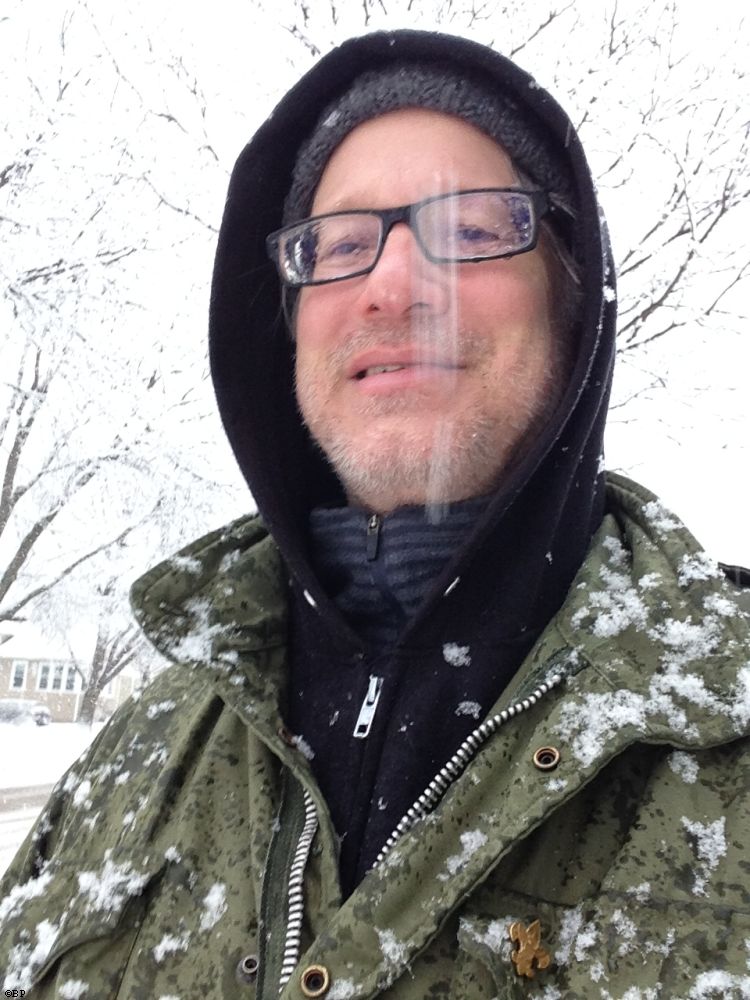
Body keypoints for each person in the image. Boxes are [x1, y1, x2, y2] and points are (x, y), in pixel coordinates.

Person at [1, 28, 749, 1000]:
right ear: (285, 325)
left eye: (475, 229)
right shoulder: (139, 750)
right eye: (342, 245)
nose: (393, 285)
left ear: (572, 305)